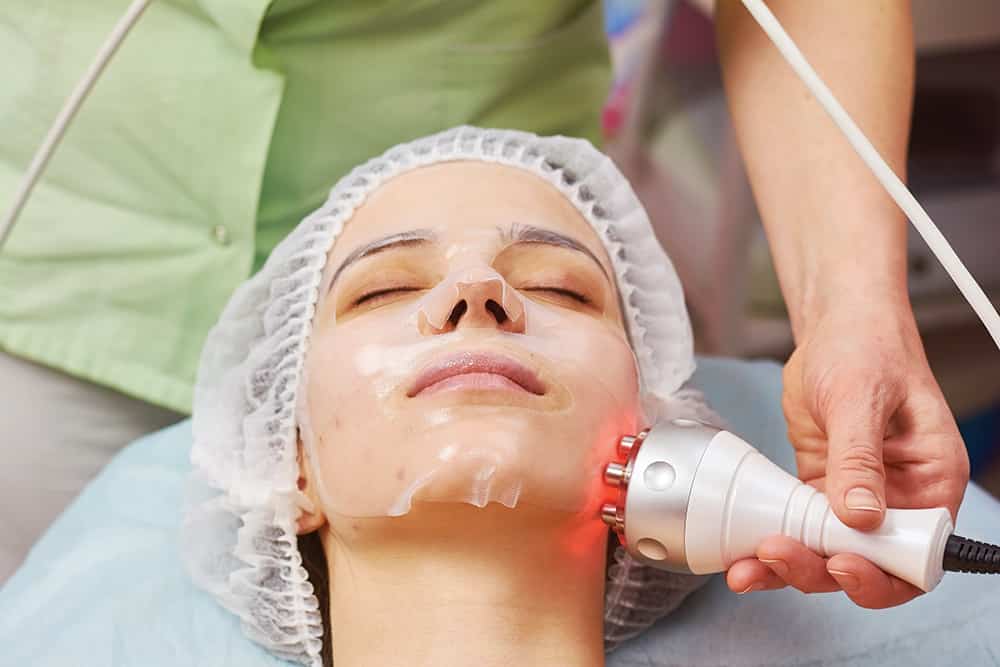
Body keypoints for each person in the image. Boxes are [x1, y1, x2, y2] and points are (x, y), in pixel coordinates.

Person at [0, 0, 968, 617]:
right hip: (69, 265)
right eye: (384, 287)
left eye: (558, 286)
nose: (478, 290)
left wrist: (855, 312)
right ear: (290, 467)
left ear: (646, 436)